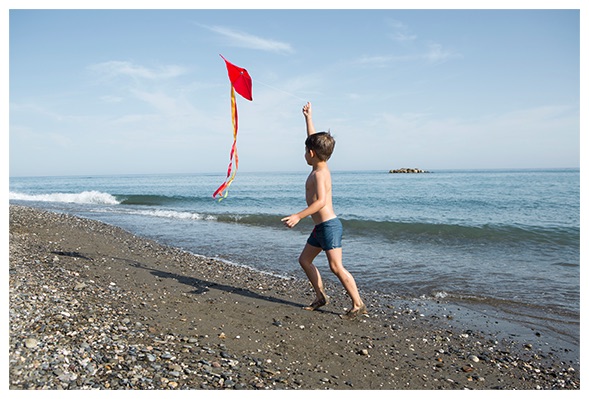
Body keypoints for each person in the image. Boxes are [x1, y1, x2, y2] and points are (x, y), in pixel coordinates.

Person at [282, 102, 366, 320]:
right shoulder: (317, 165)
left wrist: (298, 216)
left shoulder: (320, 174)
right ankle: (320, 296)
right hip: (320, 227)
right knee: (304, 261)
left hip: (329, 226)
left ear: (310, 153)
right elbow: (313, 140)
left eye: (305, 151)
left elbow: (320, 202)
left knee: (336, 266)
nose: (304, 154)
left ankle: (358, 304)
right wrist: (308, 118)